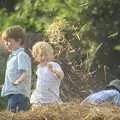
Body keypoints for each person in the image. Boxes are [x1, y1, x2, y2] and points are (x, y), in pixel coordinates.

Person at [1, 25, 32, 112]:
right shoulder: (12, 56)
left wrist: (18, 81)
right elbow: (13, 75)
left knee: (14, 114)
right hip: (13, 93)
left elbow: (25, 72)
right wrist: (5, 85)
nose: (6, 44)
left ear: (18, 40)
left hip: (19, 94)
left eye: (9, 41)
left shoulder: (21, 55)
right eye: (5, 41)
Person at [30, 41, 64, 109]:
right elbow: (39, 81)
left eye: (46, 54)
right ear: (36, 57)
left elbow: (61, 76)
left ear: (52, 55)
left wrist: (54, 71)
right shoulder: (38, 68)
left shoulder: (54, 65)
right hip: (39, 99)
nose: (43, 57)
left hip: (51, 98)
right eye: (40, 55)